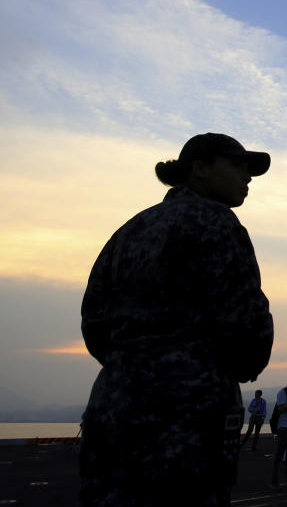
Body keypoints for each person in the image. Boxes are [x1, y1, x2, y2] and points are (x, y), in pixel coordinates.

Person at [79, 133, 274, 507]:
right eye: (236, 166)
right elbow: (247, 324)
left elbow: (94, 322)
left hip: (113, 407)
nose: (246, 177)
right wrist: (234, 365)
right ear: (199, 170)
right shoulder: (217, 223)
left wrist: (133, 365)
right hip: (191, 416)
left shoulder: (130, 230)